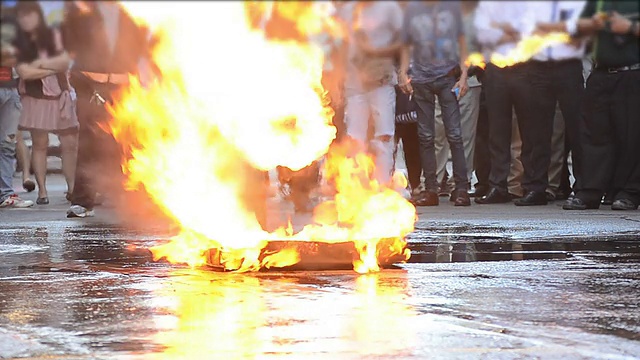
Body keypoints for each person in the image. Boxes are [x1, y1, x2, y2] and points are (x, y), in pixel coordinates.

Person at [61, 1, 149, 218]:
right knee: (90, 140)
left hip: (124, 86)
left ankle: (133, 197)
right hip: (89, 84)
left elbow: (142, 45)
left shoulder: (132, 11)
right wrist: (85, 77)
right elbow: (70, 45)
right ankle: (83, 199)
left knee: (128, 140)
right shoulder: (81, 10)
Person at [563, 1, 640, 210]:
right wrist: (590, 24)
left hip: (632, 73)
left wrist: (630, 27)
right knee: (592, 133)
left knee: (631, 135)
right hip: (601, 73)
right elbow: (577, 25)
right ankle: (589, 191)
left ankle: (629, 192)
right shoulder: (598, 2)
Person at [399, 0, 471, 207]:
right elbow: (405, 43)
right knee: (425, 136)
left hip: (448, 76)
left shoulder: (452, 7)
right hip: (421, 79)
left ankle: (462, 188)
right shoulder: (413, 8)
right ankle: (431, 189)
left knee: (455, 134)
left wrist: (464, 75)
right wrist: (403, 72)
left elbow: (462, 41)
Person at [13, 1, 78, 206]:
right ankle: (42, 190)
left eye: (30, 15)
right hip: (35, 97)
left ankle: (73, 188)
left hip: (61, 94)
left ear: (38, 16)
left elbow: (65, 62)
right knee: (40, 144)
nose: (26, 20)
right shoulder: (18, 42)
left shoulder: (54, 35)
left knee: (69, 144)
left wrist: (40, 65)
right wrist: (51, 69)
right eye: (22, 16)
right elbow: (25, 72)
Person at [473, 1, 537, 206]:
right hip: (496, 70)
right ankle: (498, 186)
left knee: (529, 131)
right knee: (497, 132)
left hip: (525, 69)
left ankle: (531, 186)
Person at [339, 1, 403, 187]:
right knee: (354, 137)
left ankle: (383, 185)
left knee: (384, 135)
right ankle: (356, 187)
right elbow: (341, 44)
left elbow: (404, 41)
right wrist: (338, 77)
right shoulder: (347, 10)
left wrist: (378, 52)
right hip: (353, 82)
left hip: (380, 79)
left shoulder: (389, 7)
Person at [0, 3, 33, 208]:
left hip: (11, 89)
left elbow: (23, 55)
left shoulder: (12, 26)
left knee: (7, 144)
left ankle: (5, 194)